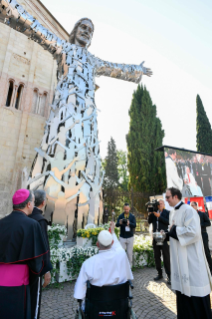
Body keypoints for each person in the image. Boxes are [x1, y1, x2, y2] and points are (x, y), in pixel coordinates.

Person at [0, 189, 48, 319]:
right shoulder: (32, 225)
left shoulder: (1, 223)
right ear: (28, 205)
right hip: (19, 286)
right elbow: (37, 263)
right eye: (33, 201)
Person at [165, 187, 212, 319]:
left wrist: (174, 231)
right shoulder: (173, 213)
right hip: (180, 260)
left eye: (168, 197)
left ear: (175, 197)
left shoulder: (189, 210)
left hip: (191, 261)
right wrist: (167, 235)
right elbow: (174, 232)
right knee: (183, 295)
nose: (166, 200)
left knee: (195, 294)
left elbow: (194, 233)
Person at [74, 222, 133, 301]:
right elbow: (118, 246)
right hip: (119, 305)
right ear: (112, 243)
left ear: (97, 244)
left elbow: (79, 293)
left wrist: (80, 297)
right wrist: (112, 232)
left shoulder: (88, 263)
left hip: (96, 306)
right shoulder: (121, 255)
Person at [29, 190, 53, 319]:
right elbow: (44, 247)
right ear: (43, 203)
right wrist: (46, 270)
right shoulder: (40, 220)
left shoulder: (26, 216)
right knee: (34, 299)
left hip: (23, 266)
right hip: (36, 267)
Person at [147, 200, 171, 284]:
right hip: (155, 237)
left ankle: (169, 276)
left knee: (166, 257)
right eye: (158, 204)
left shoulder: (167, 212)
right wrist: (150, 213)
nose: (159, 205)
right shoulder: (154, 213)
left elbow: (168, 222)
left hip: (164, 237)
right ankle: (159, 274)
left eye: (161, 203)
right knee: (156, 256)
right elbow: (149, 221)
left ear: (164, 204)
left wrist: (159, 216)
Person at [190, 201, 212, 274]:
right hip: (194, 236)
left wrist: (199, 224)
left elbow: (208, 223)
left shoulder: (202, 214)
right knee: (196, 253)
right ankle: (201, 269)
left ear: (196, 206)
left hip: (203, 235)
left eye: (193, 205)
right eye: (191, 206)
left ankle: (211, 268)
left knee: (206, 252)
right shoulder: (189, 216)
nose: (192, 207)